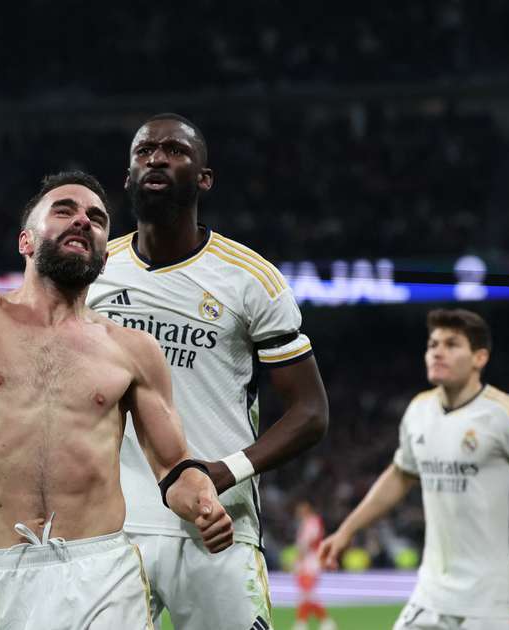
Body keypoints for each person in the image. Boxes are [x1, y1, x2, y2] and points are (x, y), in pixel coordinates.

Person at [0, 51, 233, 630]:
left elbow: (174, 469)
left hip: (104, 571)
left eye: (98, 218)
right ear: (26, 241)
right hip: (5, 578)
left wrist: (200, 503)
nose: (84, 220)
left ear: (107, 251)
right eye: (65, 210)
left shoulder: (132, 352)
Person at [87, 113, 329, 630]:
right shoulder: (93, 272)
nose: (155, 157)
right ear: (128, 177)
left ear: (204, 177)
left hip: (218, 525)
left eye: (174, 150)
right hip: (113, 529)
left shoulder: (250, 279)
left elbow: (310, 412)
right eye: (144, 151)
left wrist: (224, 472)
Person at [319, 308, 509, 630]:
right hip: (432, 595)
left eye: (451, 344)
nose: (437, 352)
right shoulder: (419, 410)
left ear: (479, 358)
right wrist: (347, 529)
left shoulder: (508, 416)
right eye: (432, 344)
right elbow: (401, 474)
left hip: (494, 601)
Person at [292, 500, 336, 630]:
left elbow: (306, 543)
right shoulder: (310, 522)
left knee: (307, 593)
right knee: (307, 594)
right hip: (309, 560)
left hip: (310, 561)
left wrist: (298, 559)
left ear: (307, 509)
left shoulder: (311, 522)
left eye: (301, 509)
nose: (299, 512)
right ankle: (321, 622)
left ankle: (305, 623)